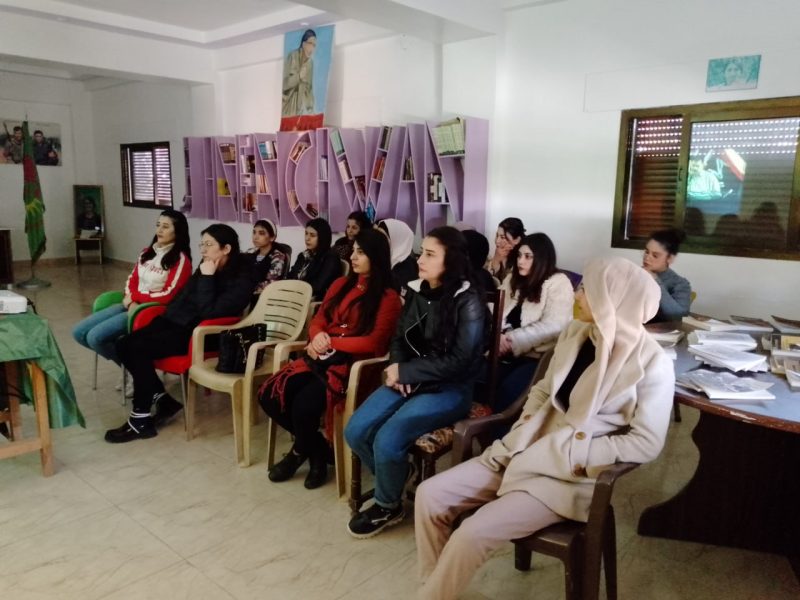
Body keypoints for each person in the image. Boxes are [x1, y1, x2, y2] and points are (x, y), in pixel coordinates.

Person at [414, 257, 675, 600]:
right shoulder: (576, 333)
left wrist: (576, 454)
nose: (577, 294)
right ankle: (434, 590)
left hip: (566, 475)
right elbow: (542, 390)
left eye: (586, 289)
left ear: (612, 298)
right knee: (429, 496)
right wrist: (524, 428)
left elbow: (646, 442)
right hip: (523, 449)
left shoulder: (652, 362)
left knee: (471, 534)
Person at [344, 226, 487, 539]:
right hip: (410, 377)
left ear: (451, 260)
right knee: (355, 430)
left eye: (430, 255)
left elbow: (461, 361)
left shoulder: (469, 301)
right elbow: (399, 337)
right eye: (422, 252)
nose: (420, 260)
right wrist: (397, 367)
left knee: (387, 438)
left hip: (450, 388)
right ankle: (398, 473)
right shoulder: (417, 290)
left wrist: (409, 373)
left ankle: (388, 504)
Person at [258, 229, 402, 489]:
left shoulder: (388, 298)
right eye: (353, 251)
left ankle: (298, 453)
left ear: (376, 256)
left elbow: (373, 343)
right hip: (320, 357)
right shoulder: (341, 284)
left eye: (361, 252)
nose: (353, 257)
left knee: (303, 405)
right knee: (269, 395)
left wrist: (330, 341)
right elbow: (319, 319)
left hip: (351, 366)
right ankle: (317, 452)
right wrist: (316, 336)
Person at [105, 224, 254, 444]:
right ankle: (163, 400)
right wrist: (165, 319)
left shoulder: (242, 278)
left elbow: (209, 312)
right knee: (123, 343)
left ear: (226, 248)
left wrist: (208, 278)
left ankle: (140, 419)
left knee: (137, 348)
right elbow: (183, 297)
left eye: (209, 245)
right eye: (202, 244)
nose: (203, 250)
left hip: (202, 334)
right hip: (176, 323)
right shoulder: (207, 265)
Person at [72, 209, 192, 369]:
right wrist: (131, 302)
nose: (159, 230)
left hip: (151, 311)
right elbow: (132, 280)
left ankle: (135, 370)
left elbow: (169, 295)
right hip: (131, 305)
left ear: (178, 231)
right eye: (158, 225)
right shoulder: (147, 253)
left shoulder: (181, 260)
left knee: (95, 338)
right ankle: (134, 367)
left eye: (165, 227)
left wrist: (135, 298)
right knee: (79, 332)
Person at [495, 233, 574, 411]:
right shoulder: (512, 279)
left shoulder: (558, 283)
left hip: (538, 358)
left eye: (528, 256)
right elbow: (495, 310)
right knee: (474, 377)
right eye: (519, 256)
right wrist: (499, 335)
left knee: (509, 391)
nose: (520, 261)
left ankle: (499, 427)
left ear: (541, 259)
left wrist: (512, 340)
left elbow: (554, 326)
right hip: (501, 349)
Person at [642, 229, 692, 322]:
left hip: (661, 329)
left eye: (655, 255)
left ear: (670, 258)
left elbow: (680, 317)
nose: (647, 258)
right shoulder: (635, 274)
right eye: (647, 252)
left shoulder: (680, 284)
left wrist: (656, 282)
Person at [288, 217, 341, 300]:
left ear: (322, 237)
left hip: (315, 299)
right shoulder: (303, 255)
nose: (307, 238)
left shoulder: (330, 258)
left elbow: (318, 286)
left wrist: (296, 289)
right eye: (306, 233)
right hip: (296, 295)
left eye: (312, 235)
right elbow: (291, 276)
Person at [244, 219, 290, 306]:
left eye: (261, 233)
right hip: (244, 293)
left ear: (272, 237)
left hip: (263, 298)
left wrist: (246, 287)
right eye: (254, 232)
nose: (255, 237)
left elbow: (271, 283)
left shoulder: (278, 256)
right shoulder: (250, 252)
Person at [376, 218, 418, 292]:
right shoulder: (382, 258)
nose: (377, 241)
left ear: (397, 240)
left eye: (383, 237)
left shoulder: (405, 268)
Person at [282, 29, 317, 117]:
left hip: (299, 110)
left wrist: (311, 110)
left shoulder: (310, 64)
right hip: (287, 108)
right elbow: (284, 84)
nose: (312, 48)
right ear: (303, 44)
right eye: (310, 43)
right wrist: (299, 77)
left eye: (314, 45)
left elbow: (309, 90)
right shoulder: (293, 56)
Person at [486, 217, 525, 282]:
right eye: (497, 235)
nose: (497, 241)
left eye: (502, 237)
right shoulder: (498, 255)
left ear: (517, 240)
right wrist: (496, 260)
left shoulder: (522, 261)